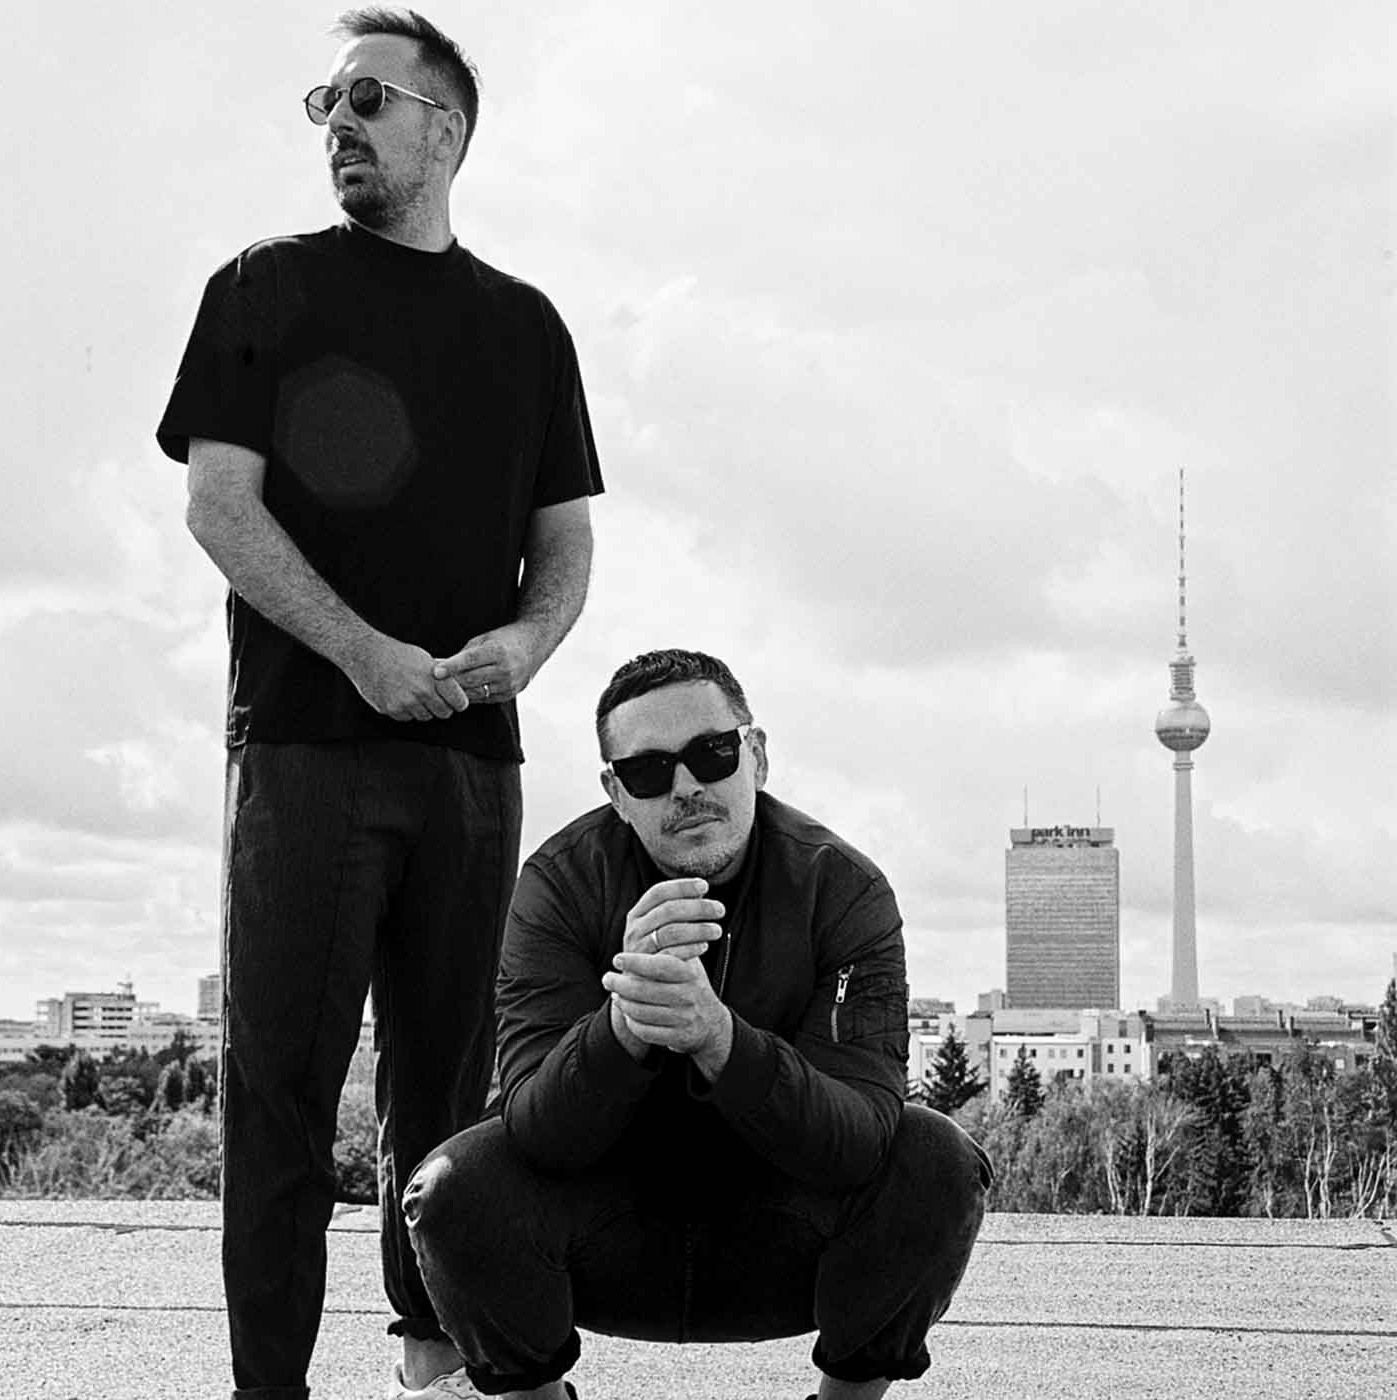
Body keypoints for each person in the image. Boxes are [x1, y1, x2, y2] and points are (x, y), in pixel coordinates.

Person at [155, 9, 602, 1397]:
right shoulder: (262, 286)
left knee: (451, 1096)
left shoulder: (527, 327)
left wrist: (525, 644)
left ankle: (433, 1365)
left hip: (471, 762)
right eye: (325, 103)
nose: (336, 123)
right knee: (280, 1094)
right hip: (304, 751)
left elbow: (566, 545)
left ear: (444, 129)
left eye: (366, 99)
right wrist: (360, 652)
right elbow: (219, 507)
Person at [401, 650, 994, 1400]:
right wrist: (624, 1025)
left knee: (937, 1160)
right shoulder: (559, 884)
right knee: (455, 1184)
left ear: (757, 756)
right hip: (605, 1238)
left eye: (712, 754)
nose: (686, 787)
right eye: (649, 771)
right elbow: (536, 1134)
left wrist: (721, 1040)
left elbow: (859, 1142)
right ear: (617, 794)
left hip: (784, 1234)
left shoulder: (843, 888)